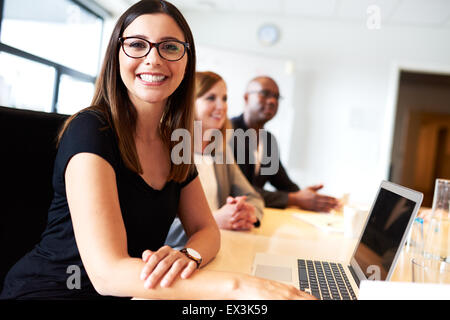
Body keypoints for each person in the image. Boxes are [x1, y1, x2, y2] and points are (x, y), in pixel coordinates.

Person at [0, 1, 314, 300]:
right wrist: (239, 287)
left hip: (140, 292)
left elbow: (206, 229)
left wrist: (188, 254)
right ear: (116, 55)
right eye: (137, 44)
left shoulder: (174, 141)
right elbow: (107, 274)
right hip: (54, 291)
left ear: (186, 61)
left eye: (170, 47)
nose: (154, 58)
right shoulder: (91, 129)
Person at [165, 71, 264, 249]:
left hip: (215, 248)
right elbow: (156, 225)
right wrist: (212, 222)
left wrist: (248, 214)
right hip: (176, 255)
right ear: (189, 102)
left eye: (224, 98)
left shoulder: (220, 151)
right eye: (211, 98)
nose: (221, 106)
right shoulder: (167, 150)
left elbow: (253, 197)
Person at [231, 76, 339, 212]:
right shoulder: (227, 133)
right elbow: (238, 190)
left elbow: (284, 183)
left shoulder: (268, 140)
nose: (272, 101)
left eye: (276, 97)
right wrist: (295, 199)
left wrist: (309, 196)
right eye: (265, 94)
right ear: (246, 97)